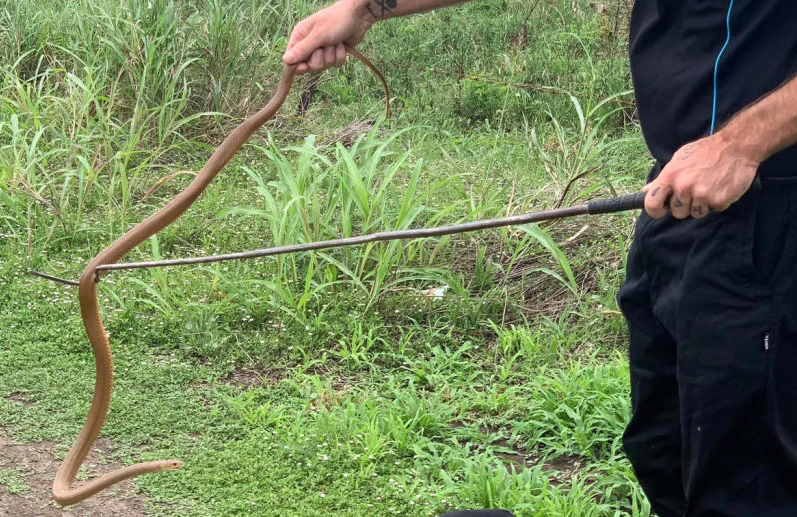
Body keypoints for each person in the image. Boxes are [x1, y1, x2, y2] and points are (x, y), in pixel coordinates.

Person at [284, 1, 797, 516]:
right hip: (678, 196)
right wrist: (368, 7)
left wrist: (739, 146)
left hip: (769, 210)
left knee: (747, 483)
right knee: (665, 452)